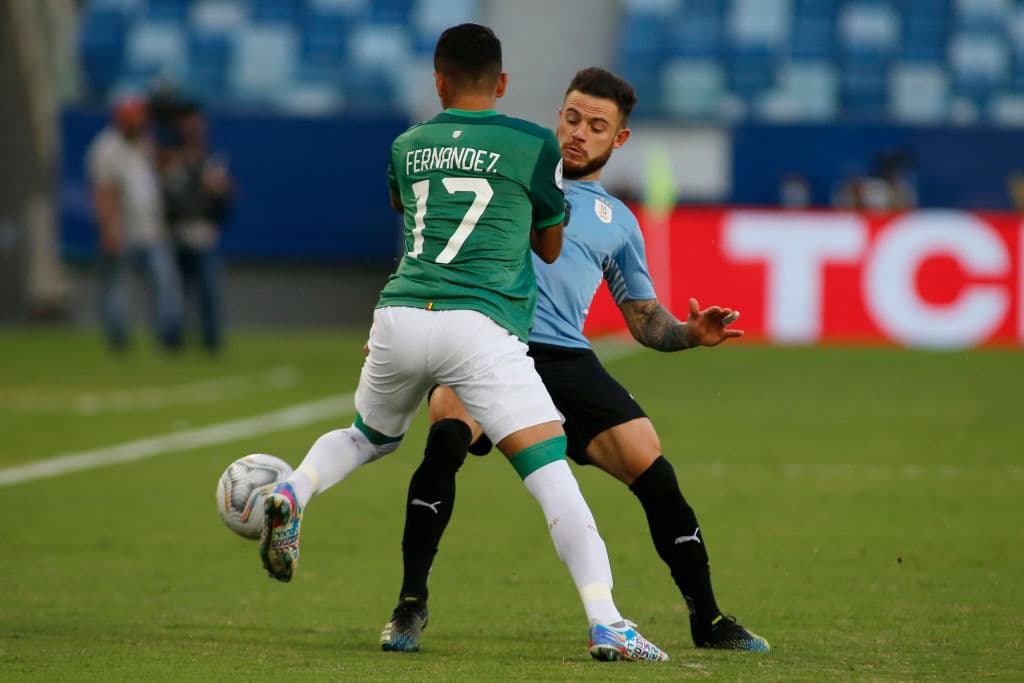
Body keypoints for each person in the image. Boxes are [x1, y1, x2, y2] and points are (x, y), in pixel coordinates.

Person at [258, 25, 668, 663]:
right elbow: (549, 247)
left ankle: (293, 490)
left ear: (437, 81)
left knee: (367, 437)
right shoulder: (533, 145)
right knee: (551, 473)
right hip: (480, 325)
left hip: (399, 312)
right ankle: (607, 620)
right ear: (502, 83)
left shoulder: (407, 144)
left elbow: (412, 214)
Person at [380, 67, 770, 654]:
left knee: (653, 466)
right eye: (571, 118)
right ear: (557, 117)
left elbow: (644, 319)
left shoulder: (619, 222)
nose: (579, 133)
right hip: (489, 340)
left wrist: (689, 334)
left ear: (619, 139)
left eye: (596, 126)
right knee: (446, 435)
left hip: (566, 356)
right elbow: (436, 249)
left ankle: (708, 620)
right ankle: (410, 605)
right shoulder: (509, 176)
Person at [86, 94, 183, 351]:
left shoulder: (144, 144)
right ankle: (118, 338)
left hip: (152, 230)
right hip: (123, 230)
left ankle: (168, 336)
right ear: (123, 119)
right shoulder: (106, 148)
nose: (141, 123)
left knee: (164, 283)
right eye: (136, 118)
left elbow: (157, 180)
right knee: (117, 287)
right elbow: (103, 193)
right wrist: (109, 229)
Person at [160, 101, 233, 352]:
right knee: (173, 292)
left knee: (208, 290)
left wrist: (221, 193)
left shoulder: (212, 159)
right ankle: (172, 339)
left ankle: (211, 340)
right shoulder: (169, 157)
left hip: (203, 232)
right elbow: (165, 195)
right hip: (175, 232)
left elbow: (224, 199)